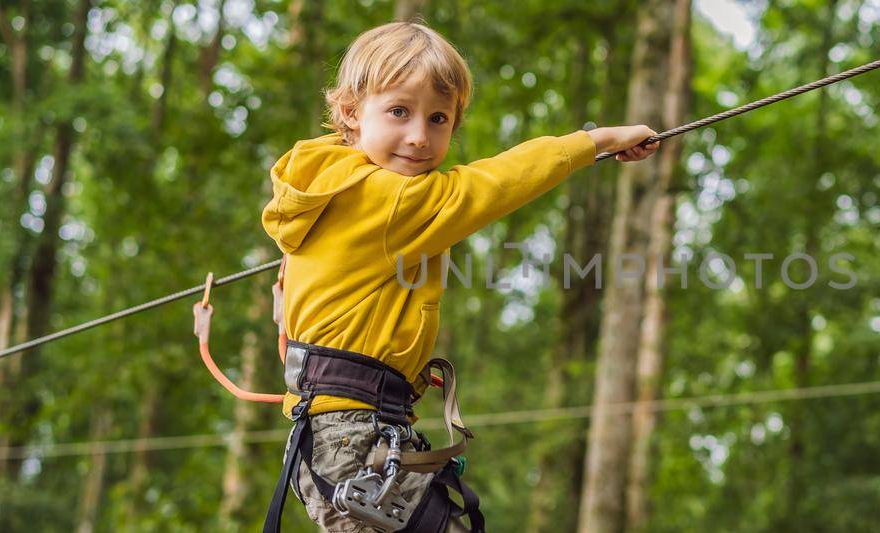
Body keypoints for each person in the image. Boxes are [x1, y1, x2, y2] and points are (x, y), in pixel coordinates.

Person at [260, 21, 660, 532]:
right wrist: (595, 140)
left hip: (347, 433)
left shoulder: (329, 188)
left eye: (438, 118)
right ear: (350, 113)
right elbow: (493, 184)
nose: (419, 136)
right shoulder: (391, 198)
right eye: (399, 111)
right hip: (350, 439)